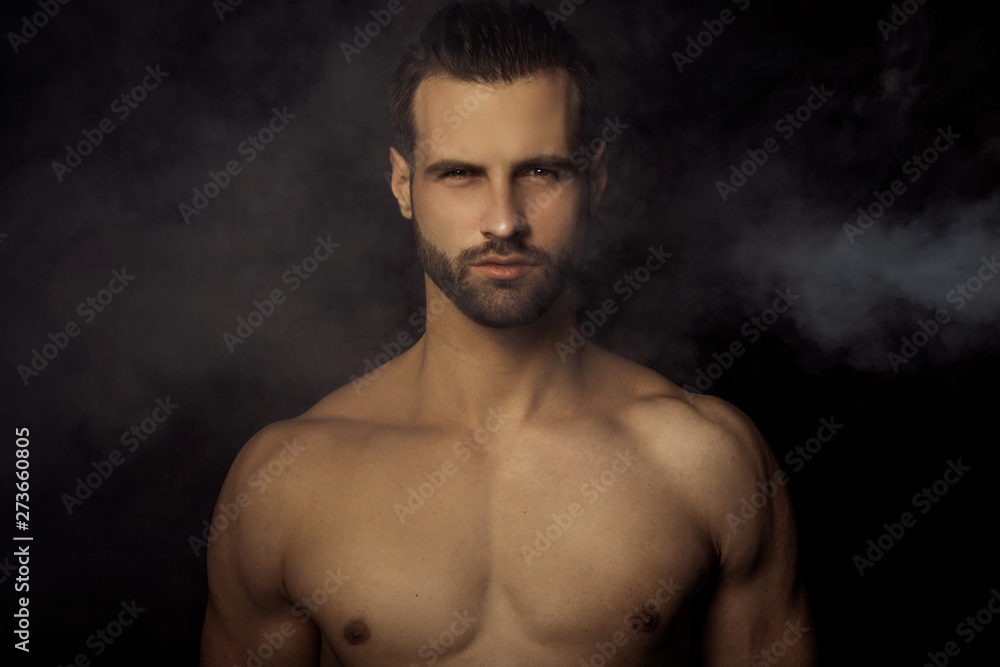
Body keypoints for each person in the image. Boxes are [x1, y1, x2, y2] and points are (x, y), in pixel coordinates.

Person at [200, 1, 816, 665]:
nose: (503, 221)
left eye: (541, 171)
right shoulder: (288, 480)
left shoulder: (706, 460)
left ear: (596, 180)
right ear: (403, 184)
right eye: (460, 173)